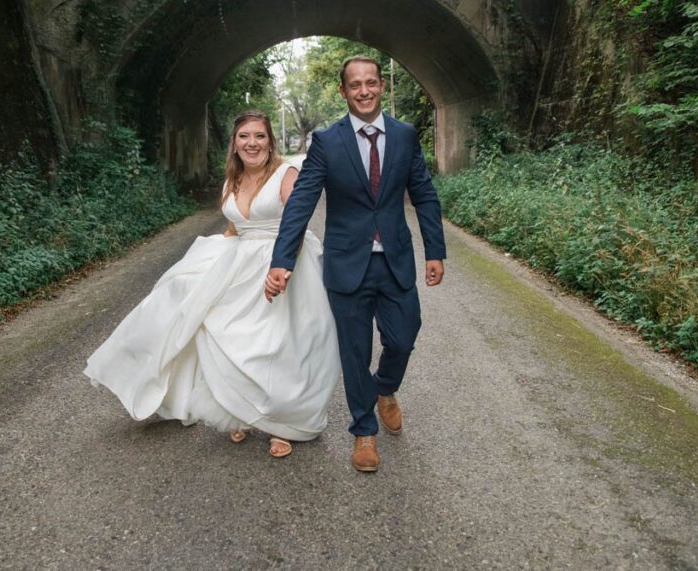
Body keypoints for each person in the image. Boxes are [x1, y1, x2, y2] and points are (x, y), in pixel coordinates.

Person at [85, 110, 340, 458]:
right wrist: (204, 264)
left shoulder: (286, 173)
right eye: (244, 137)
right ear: (234, 144)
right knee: (232, 335)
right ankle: (243, 411)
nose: (252, 143)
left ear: (270, 141)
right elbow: (235, 229)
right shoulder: (231, 182)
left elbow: (295, 221)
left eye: (259, 136)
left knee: (282, 343)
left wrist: (283, 266)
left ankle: (285, 424)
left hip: (283, 259)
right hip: (242, 263)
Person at [266, 56, 446, 473]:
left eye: (370, 83)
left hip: (395, 259)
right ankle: (364, 431)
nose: (363, 91)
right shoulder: (328, 142)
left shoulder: (404, 136)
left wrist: (434, 250)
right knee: (354, 351)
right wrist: (282, 259)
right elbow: (302, 202)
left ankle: (385, 389)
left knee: (403, 337)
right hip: (347, 263)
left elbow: (424, 194)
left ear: (381, 86)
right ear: (343, 91)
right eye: (354, 85)